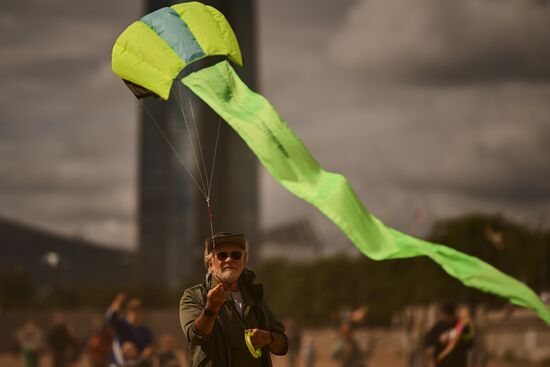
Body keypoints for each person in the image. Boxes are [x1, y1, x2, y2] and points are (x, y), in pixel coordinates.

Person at [179, 232, 288, 367]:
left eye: (236, 255)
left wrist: (268, 338)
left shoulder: (254, 297)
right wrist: (210, 308)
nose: (229, 260)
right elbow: (195, 336)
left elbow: (283, 344)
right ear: (210, 264)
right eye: (222, 255)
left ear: (243, 261)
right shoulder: (194, 296)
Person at [106, 293, 154, 367]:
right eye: (132, 310)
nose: (135, 313)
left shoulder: (145, 332)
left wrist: (144, 354)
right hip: (118, 364)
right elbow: (110, 317)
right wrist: (118, 302)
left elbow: (150, 350)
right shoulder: (121, 325)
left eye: (137, 310)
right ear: (127, 311)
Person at [424, 303, 475, 367]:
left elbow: (470, 343)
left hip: (458, 363)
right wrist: (439, 339)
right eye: (444, 316)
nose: (446, 319)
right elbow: (427, 340)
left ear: (453, 315)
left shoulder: (461, 326)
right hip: (441, 363)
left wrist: (457, 340)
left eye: (448, 316)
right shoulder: (439, 326)